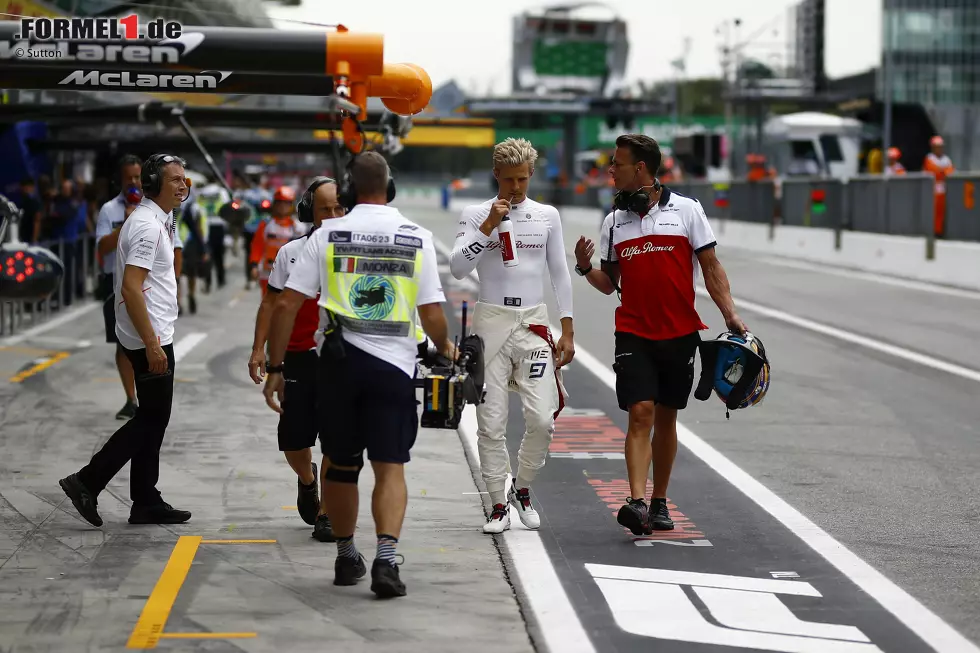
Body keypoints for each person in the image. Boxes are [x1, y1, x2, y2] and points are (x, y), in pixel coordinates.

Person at [263, 151, 454, 598]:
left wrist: (275, 366)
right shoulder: (416, 236)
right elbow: (432, 313)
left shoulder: (325, 234)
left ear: (347, 192)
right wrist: (443, 348)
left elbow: (287, 304)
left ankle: (347, 553)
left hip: (338, 366)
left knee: (343, 466)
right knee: (390, 467)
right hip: (394, 368)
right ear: (390, 189)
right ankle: (386, 559)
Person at [573, 134, 747, 536]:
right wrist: (585, 268)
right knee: (640, 413)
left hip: (680, 333)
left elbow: (711, 267)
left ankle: (659, 501)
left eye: (617, 164)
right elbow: (608, 282)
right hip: (633, 332)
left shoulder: (688, 211)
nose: (610, 171)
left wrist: (730, 314)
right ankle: (636, 502)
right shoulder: (614, 221)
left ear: (641, 169)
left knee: (666, 419)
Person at [59, 153, 193, 527]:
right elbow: (132, 288)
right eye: (175, 180)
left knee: (154, 418)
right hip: (148, 333)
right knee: (151, 418)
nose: (183, 185)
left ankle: (145, 500)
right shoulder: (148, 226)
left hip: (151, 329)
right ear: (154, 186)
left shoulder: (159, 218)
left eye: (186, 180)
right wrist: (151, 343)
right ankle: (87, 480)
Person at [449, 137, 575, 534]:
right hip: (490, 324)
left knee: (542, 419)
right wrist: (488, 226)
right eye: (508, 181)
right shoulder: (474, 214)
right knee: (490, 422)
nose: (515, 188)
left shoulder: (547, 215)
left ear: (531, 175)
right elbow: (456, 268)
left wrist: (567, 328)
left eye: (522, 179)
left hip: (534, 325)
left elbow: (559, 272)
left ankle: (522, 488)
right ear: (496, 176)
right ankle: (497, 504)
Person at [249, 177, 345, 542]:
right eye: (325, 209)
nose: (333, 216)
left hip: (339, 358)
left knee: (336, 437)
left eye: (339, 208)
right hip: (295, 356)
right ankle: (308, 480)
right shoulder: (290, 253)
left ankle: (326, 513)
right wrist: (260, 349)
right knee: (293, 440)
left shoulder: (357, 251)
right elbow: (271, 303)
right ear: (310, 212)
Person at [93, 155, 145, 420]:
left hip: (148, 288)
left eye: (138, 177)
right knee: (123, 345)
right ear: (120, 180)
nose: (134, 182)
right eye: (129, 178)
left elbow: (173, 245)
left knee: (151, 343)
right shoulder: (109, 210)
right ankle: (131, 399)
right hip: (116, 285)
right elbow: (102, 247)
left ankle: (149, 398)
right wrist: (126, 224)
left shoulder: (154, 208)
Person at [249, 186, 305, 295]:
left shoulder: (299, 228)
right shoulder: (265, 225)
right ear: (274, 204)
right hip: (268, 274)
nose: (283, 206)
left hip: (290, 276)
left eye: (287, 203)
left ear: (292, 205)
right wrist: (254, 266)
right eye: (280, 202)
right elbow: (257, 246)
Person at [922, 135, 954, 238]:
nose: (939, 148)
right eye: (937, 146)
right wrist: (943, 171)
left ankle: (942, 232)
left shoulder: (946, 159)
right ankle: (934, 232)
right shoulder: (929, 158)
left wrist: (942, 171)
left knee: (945, 212)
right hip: (933, 189)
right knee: (933, 212)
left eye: (941, 146)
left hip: (945, 189)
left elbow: (950, 172)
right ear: (933, 147)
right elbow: (934, 171)